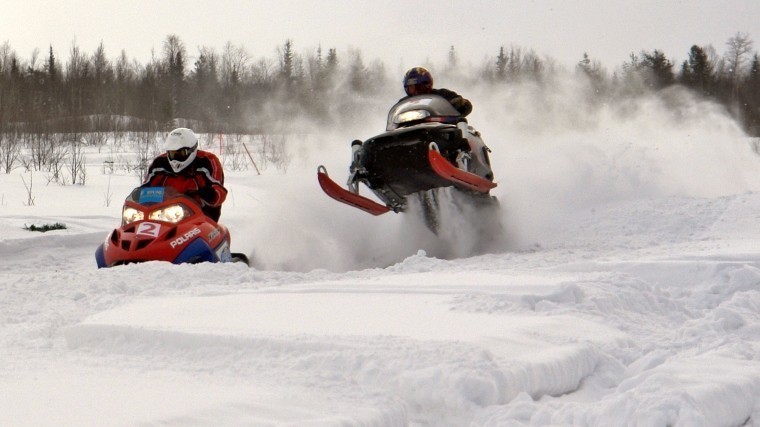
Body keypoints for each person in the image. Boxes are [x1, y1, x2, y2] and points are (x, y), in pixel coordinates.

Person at [143, 127, 227, 222]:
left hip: (200, 217)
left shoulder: (208, 161)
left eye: (181, 154)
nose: (175, 159)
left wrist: (210, 194)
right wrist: (140, 197)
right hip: (163, 216)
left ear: (192, 150)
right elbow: (146, 187)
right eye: (172, 154)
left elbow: (218, 190)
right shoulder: (159, 163)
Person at [402, 66, 472, 117]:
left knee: (461, 127)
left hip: (441, 126)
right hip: (410, 129)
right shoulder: (404, 102)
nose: (415, 91)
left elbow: (466, 105)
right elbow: (393, 116)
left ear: (427, 85)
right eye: (411, 88)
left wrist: (459, 104)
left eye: (418, 87)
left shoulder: (442, 95)